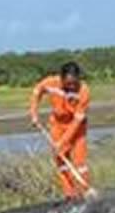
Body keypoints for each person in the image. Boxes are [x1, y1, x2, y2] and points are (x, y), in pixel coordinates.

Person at [29, 61, 91, 204]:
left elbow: (77, 121)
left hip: (77, 127)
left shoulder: (84, 91)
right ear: (61, 78)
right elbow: (37, 91)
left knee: (80, 163)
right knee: (61, 160)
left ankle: (85, 192)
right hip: (57, 125)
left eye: (74, 83)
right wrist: (34, 113)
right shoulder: (51, 82)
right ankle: (70, 194)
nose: (71, 87)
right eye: (68, 84)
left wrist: (63, 141)